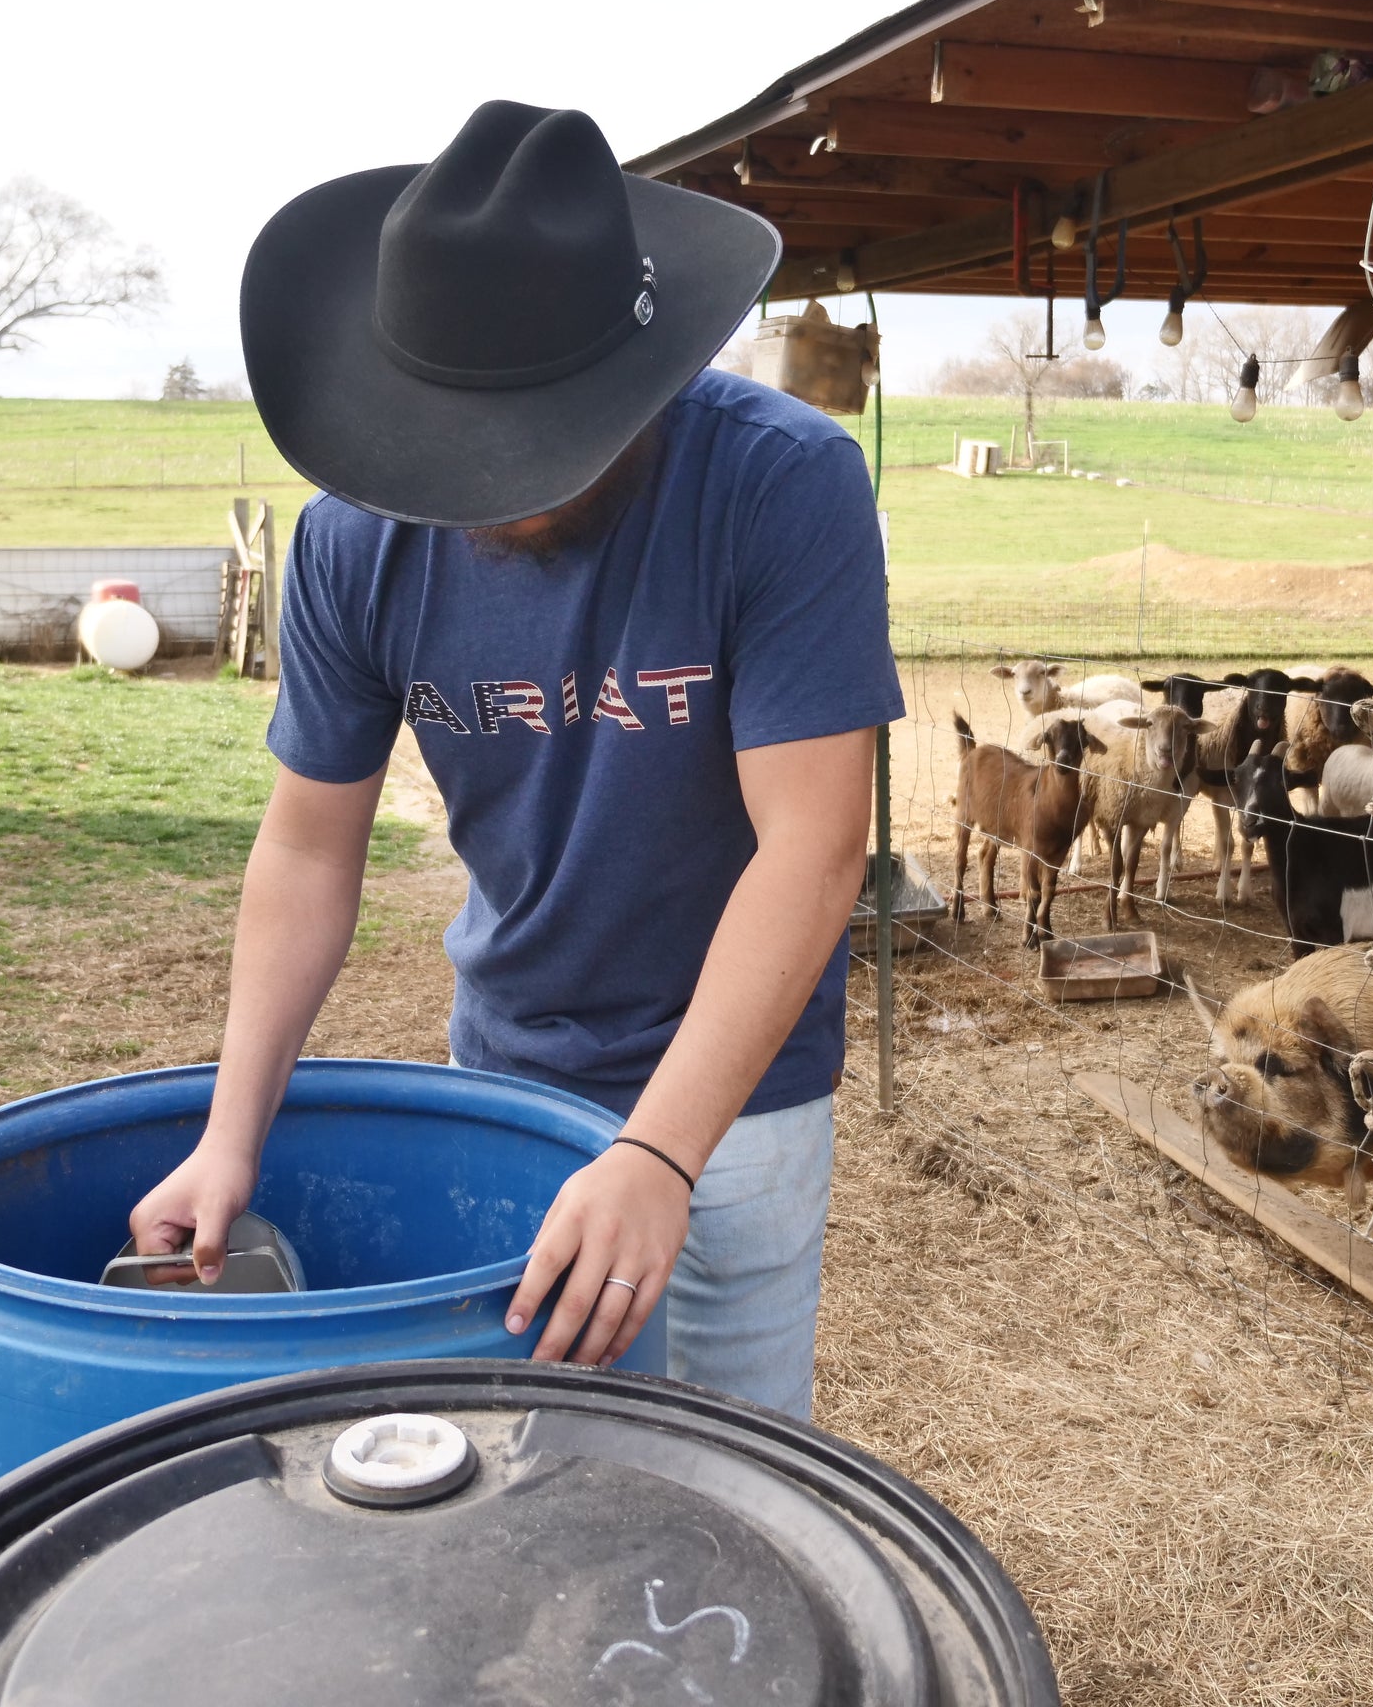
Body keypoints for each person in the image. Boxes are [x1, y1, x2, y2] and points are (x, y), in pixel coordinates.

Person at [129, 101, 901, 1417]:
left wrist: (662, 1153)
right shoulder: (352, 541)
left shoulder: (783, 484)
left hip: (742, 1089)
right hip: (505, 1069)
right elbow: (310, 846)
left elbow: (813, 846)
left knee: (733, 1465)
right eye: (454, 445)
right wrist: (229, 1132)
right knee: (526, 1460)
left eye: (538, 447)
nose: (490, 488)